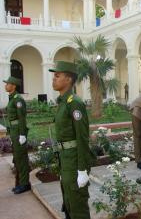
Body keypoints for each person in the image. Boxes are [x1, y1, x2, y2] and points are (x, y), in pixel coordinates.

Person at [49, 61, 95, 219]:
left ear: (68, 79)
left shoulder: (74, 103)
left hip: (75, 161)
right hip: (65, 160)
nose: (53, 79)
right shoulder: (62, 102)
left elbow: (82, 138)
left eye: (57, 76)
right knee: (68, 201)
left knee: (77, 205)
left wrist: (82, 169)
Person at [3, 76, 30, 194]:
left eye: (8, 84)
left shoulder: (18, 99)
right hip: (14, 131)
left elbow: (22, 118)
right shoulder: (12, 98)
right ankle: (21, 182)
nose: (6, 85)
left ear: (13, 86)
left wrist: (22, 134)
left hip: (19, 132)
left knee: (21, 158)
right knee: (18, 158)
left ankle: (24, 184)